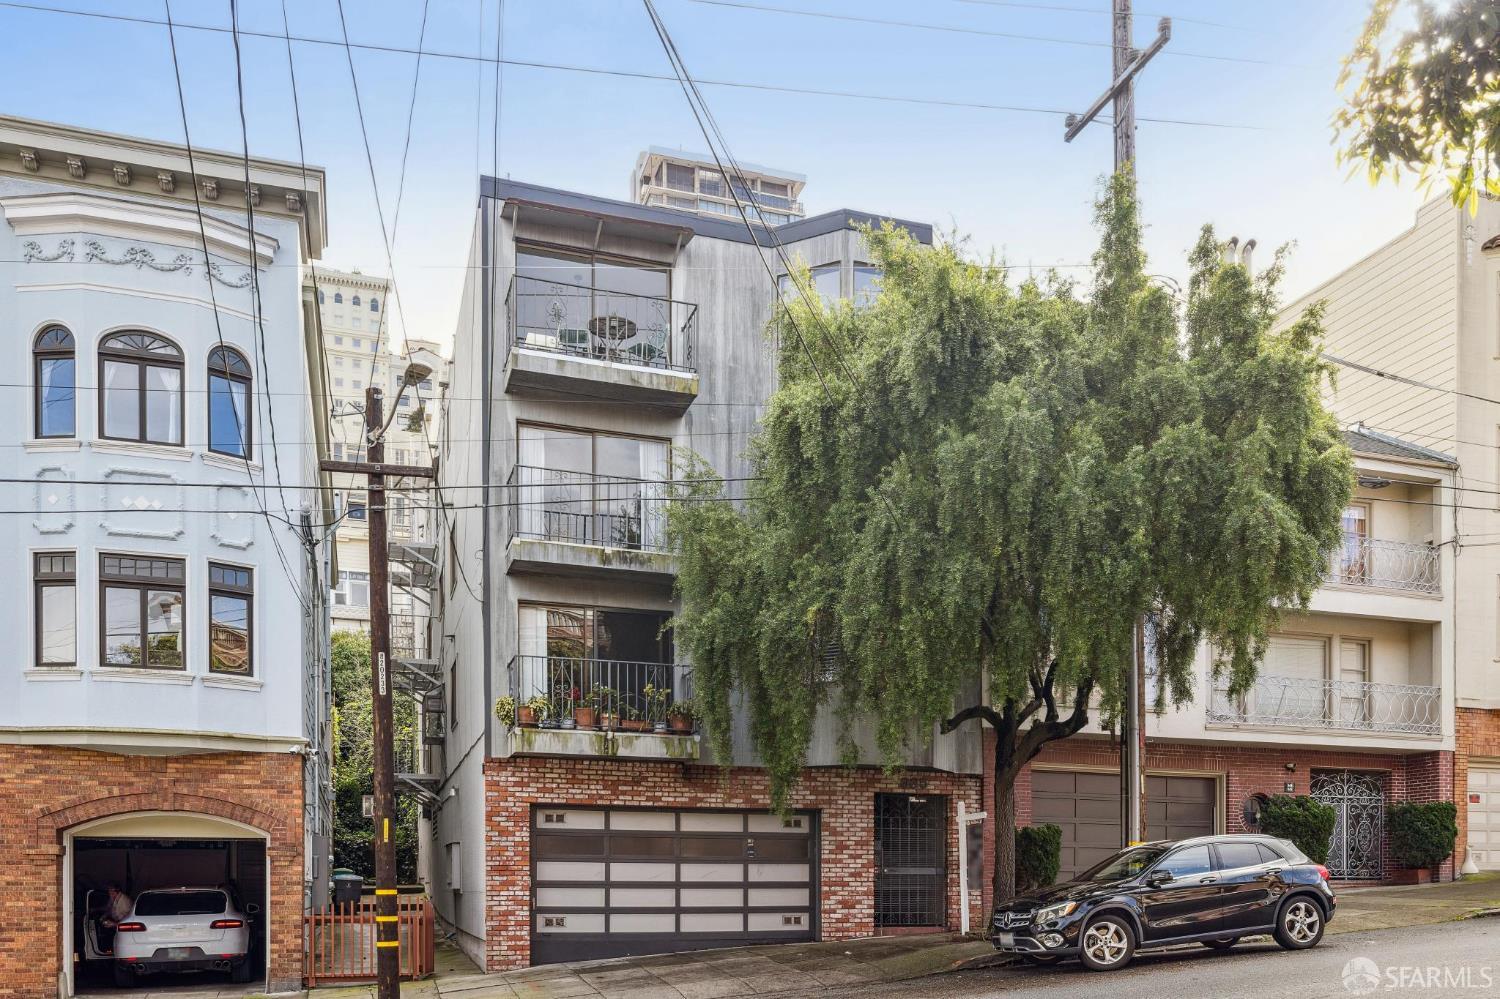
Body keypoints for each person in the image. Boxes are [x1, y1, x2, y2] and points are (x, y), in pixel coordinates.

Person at [99, 884, 132, 955]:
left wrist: (114, 924)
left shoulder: (125, 901)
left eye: (111, 891)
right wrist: (103, 916)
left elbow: (129, 918)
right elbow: (108, 909)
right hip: (115, 922)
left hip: (123, 926)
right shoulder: (112, 898)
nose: (109, 893)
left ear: (116, 891)